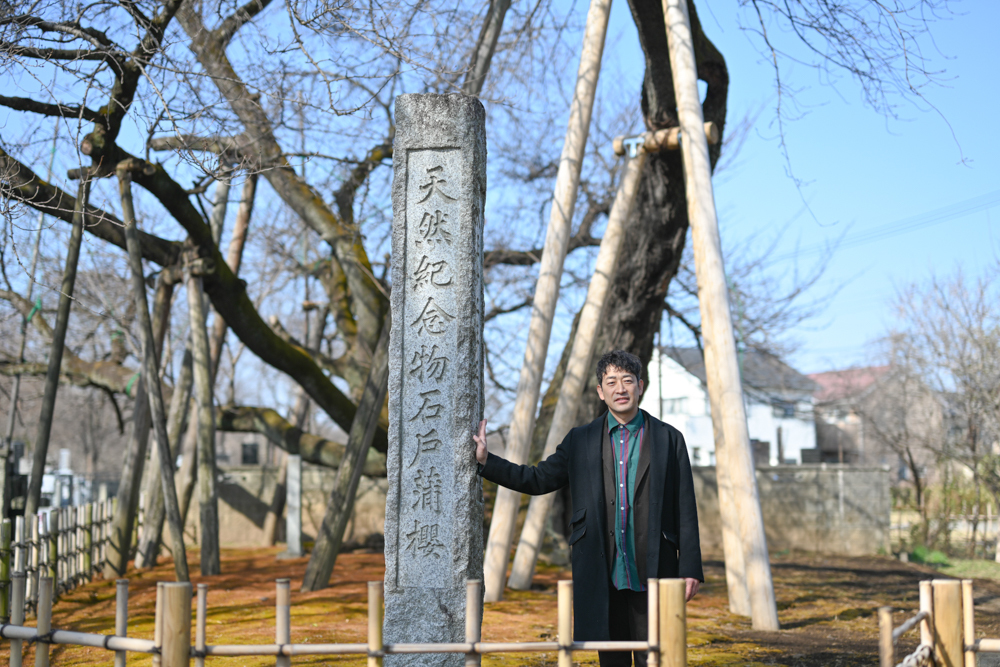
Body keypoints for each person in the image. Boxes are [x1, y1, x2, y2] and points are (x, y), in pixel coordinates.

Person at [473, 350, 703, 667]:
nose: (620, 389)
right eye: (611, 382)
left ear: (641, 385)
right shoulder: (580, 440)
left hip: (654, 570)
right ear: (600, 391)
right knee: (612, 661)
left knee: (659, 658)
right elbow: (537, 479)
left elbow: (685, 505)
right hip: (600, 571)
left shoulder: (668, 438)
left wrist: (689, 567)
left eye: (627, 381)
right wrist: (487, 461)